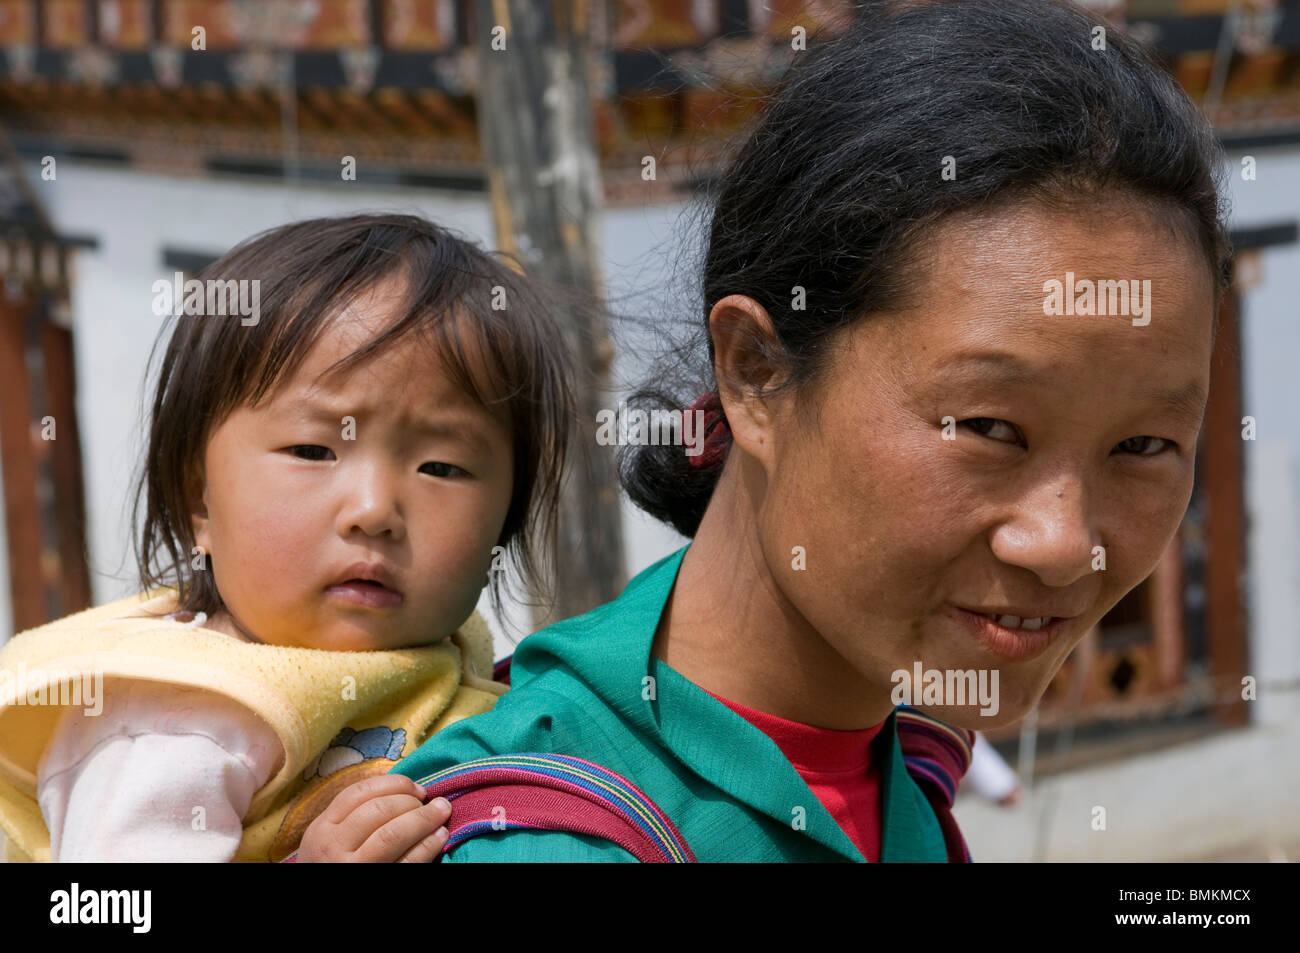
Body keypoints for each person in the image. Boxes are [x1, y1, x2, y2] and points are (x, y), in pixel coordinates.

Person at [298, 0, 1230, 862]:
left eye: (1144, 445)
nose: (1064, 545)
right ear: (755, 372)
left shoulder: (897, 761)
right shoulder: (543, 839)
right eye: (988, 425)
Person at [0, 213, 574, 862]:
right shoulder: (175, 718)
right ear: (200, 501)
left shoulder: (478, 671)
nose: (373, 509)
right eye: (312, 448)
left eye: (441, 467)